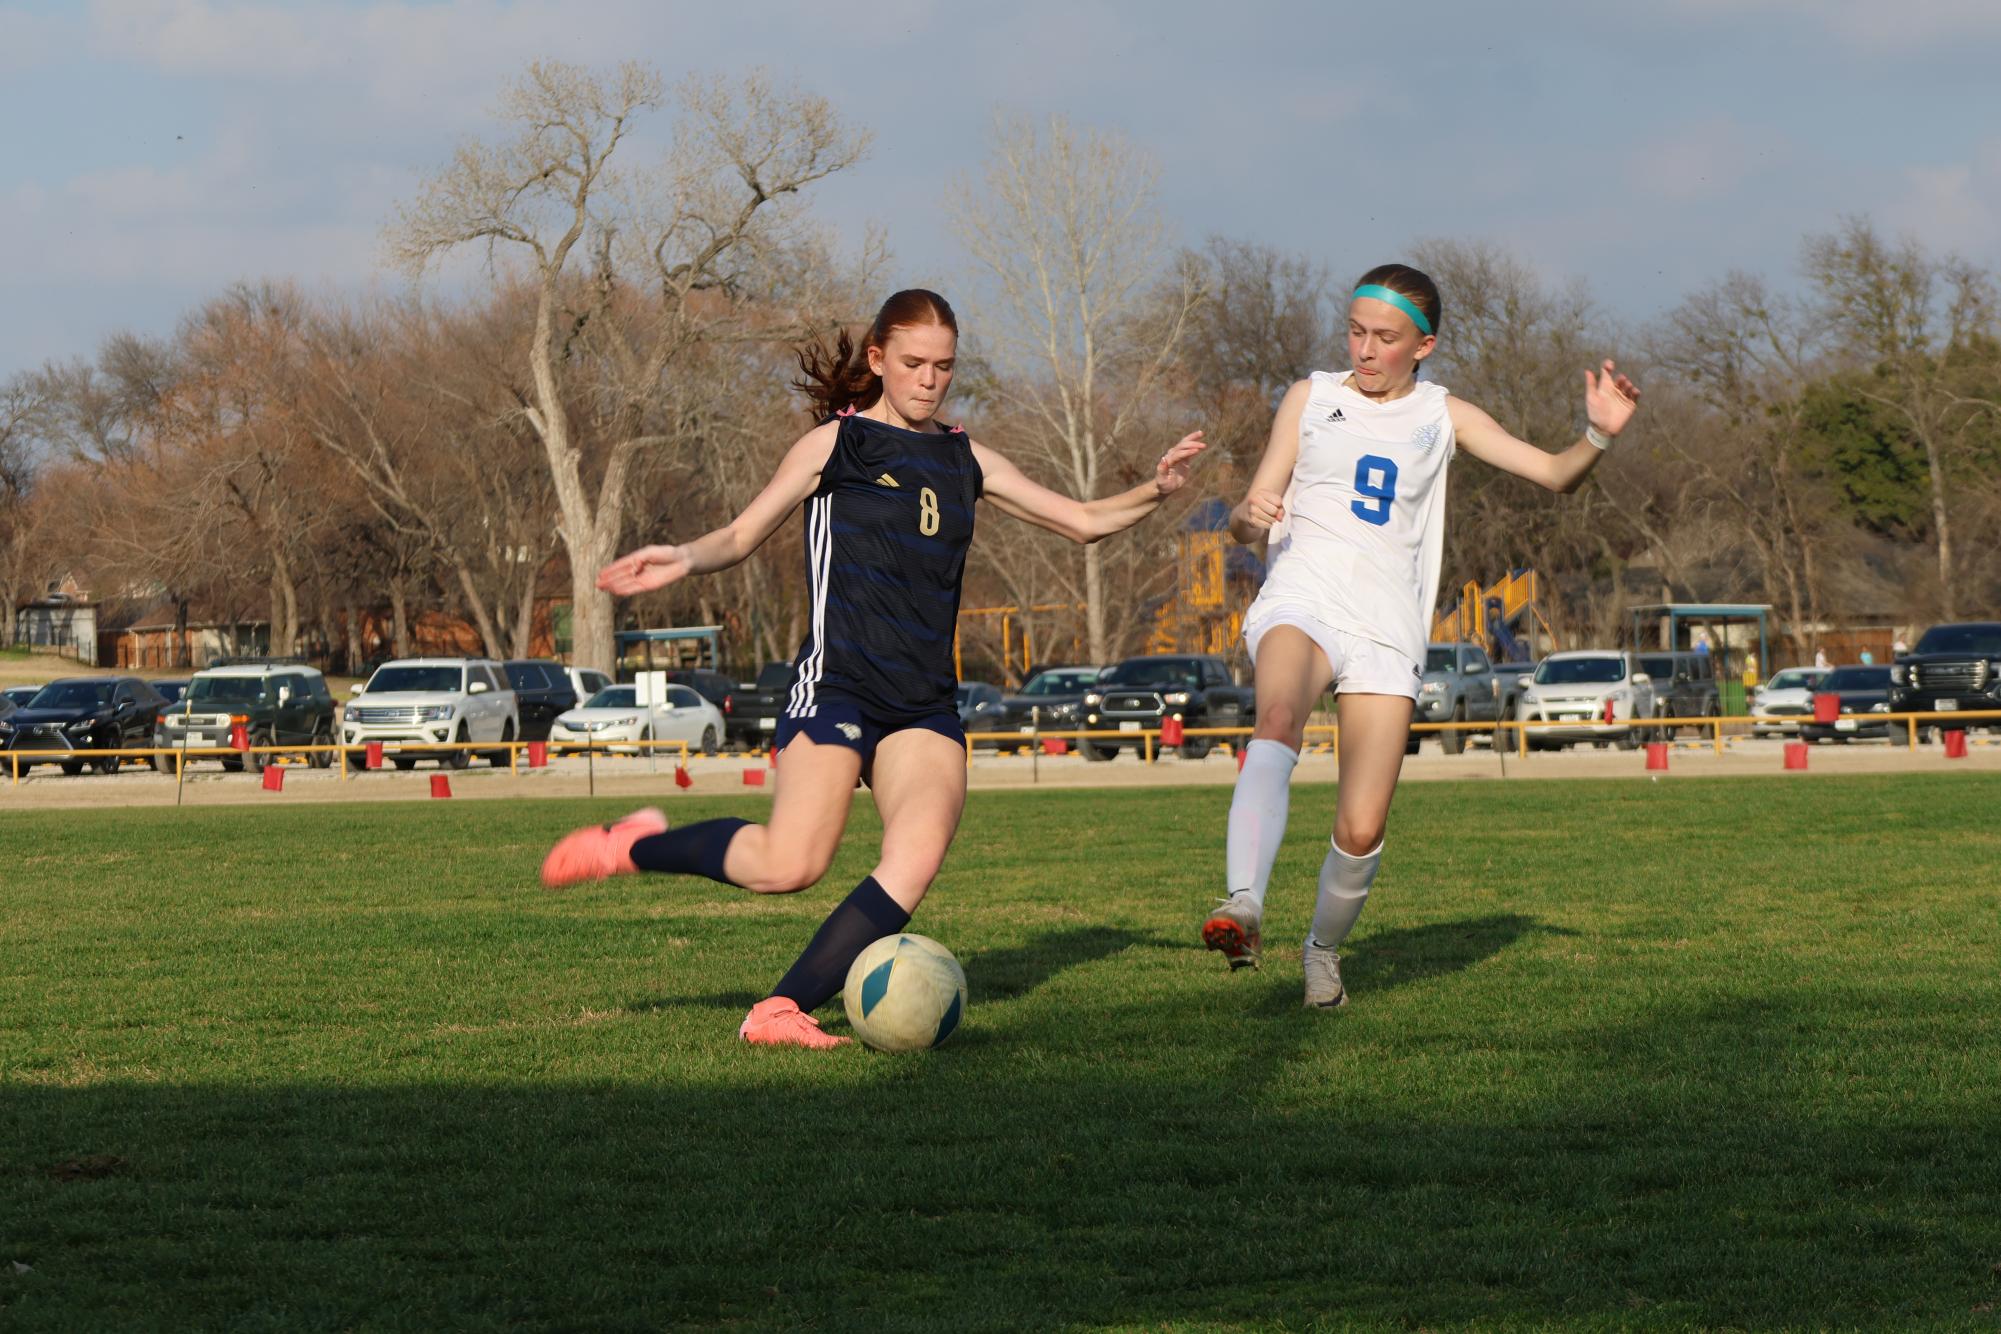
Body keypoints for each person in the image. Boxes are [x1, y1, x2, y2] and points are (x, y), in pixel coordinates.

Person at [538, 289, 1206, 1048]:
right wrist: (682, 558)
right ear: (879, 360)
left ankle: (778, 1011)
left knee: (914, 860)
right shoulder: (836, 446)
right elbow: (741, 533)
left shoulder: (966, 458)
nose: (929, 379)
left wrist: (1158, 488)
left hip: (922, 706)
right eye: (914, 363)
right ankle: (634, 844)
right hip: (837, 687)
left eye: (944, 366)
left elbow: (1082, 522)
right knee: (788, 865)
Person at [1201, 263, 1639, 1008]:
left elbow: (1556, 474)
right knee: (1278, 718)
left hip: (1385, 624)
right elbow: (1248, 515)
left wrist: (1597, 432)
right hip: (1301, 596)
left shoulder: (1443, 416)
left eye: (1384, 338)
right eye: (1355, 332)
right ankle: (1242, 904)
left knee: (1362, 825)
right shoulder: (1310, 397)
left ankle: (1322, 954)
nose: (1364, 350)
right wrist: (1249, 515)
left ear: (1424, 345)